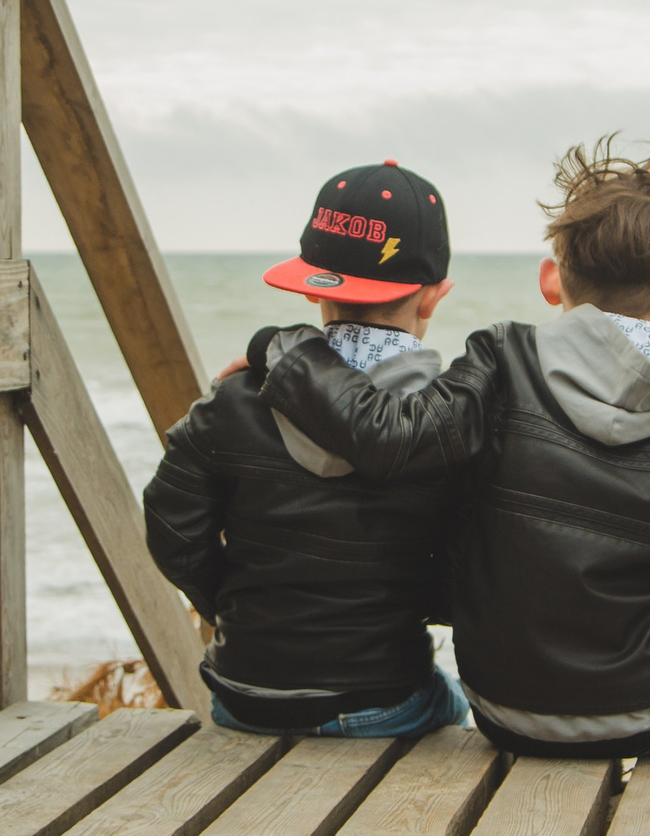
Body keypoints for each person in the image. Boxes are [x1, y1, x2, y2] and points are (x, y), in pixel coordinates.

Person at [256, 138, 650, 763]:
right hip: (644, 717)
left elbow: (391, 440)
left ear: (551, 280)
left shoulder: (502, 360)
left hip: (504, 710)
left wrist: (281, 351)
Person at [143, 159, 469, 738]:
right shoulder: (440, 420)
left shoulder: (235, 397)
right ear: (432, 298)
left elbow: (171, 524)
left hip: (244, 699)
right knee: (454, 703)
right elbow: (472, 559)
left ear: (314, 283)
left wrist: (232, 606)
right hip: (383, 697)